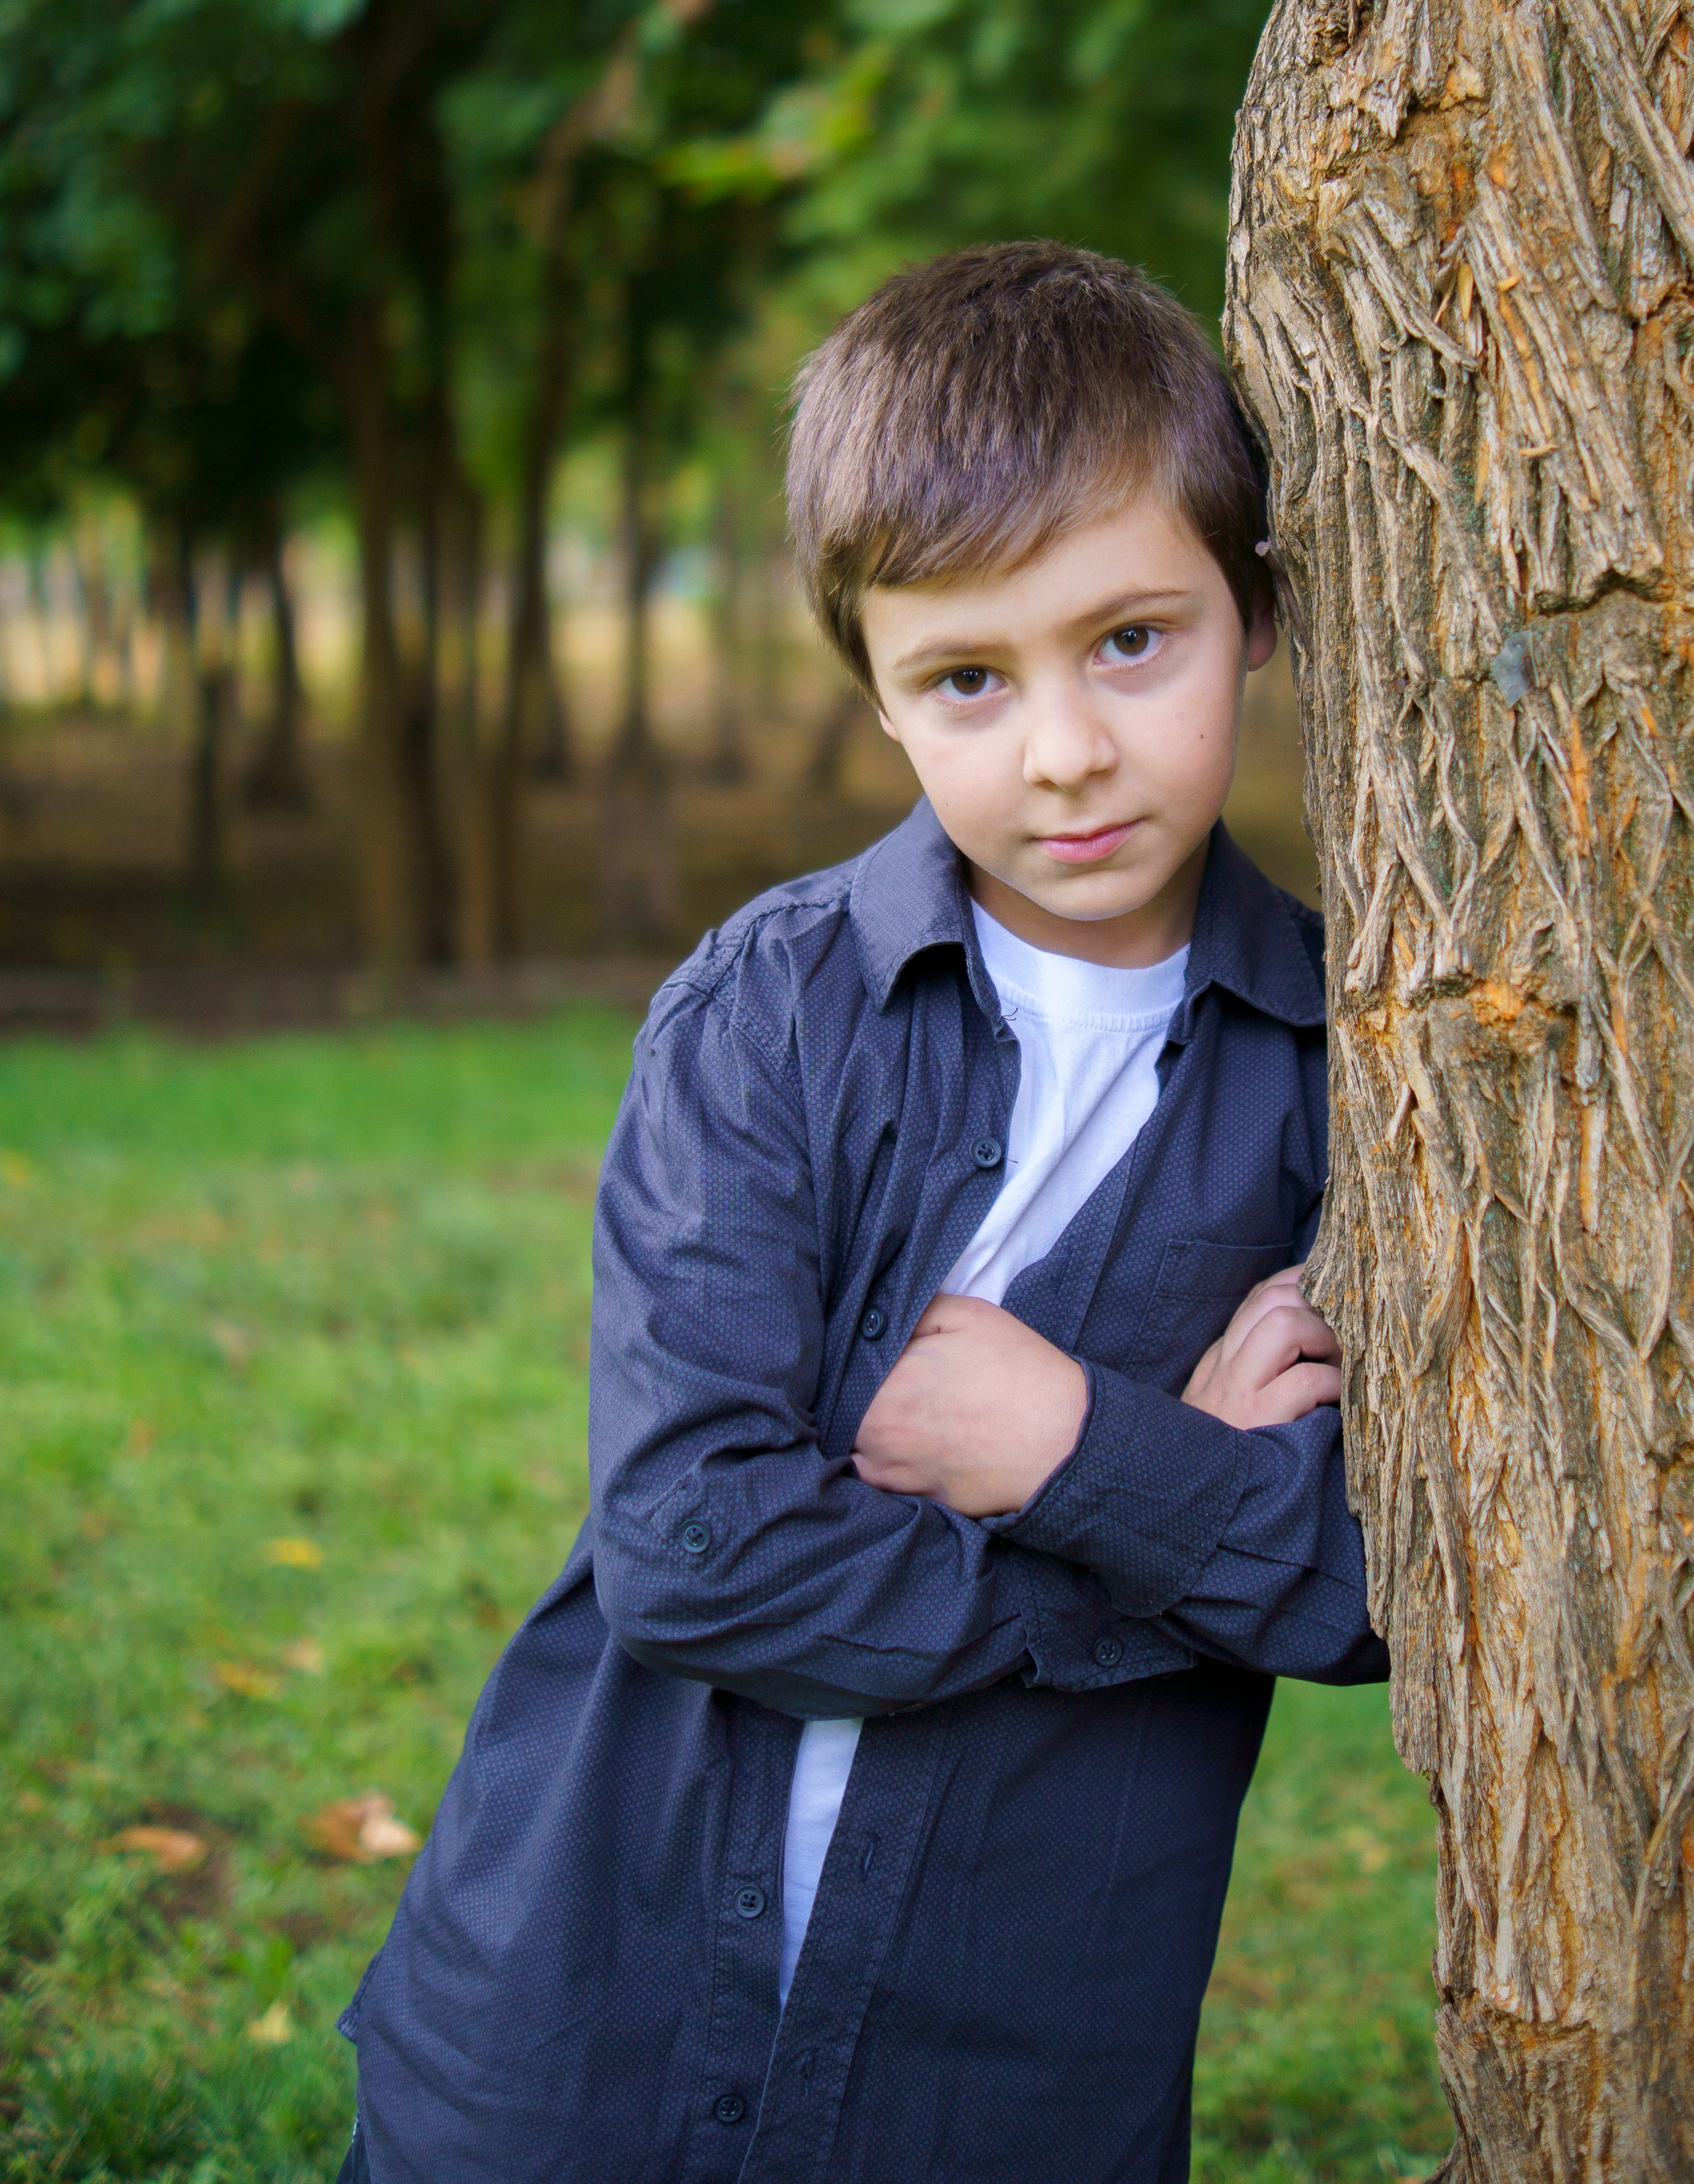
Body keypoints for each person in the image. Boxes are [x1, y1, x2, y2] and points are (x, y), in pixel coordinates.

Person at [334, 240, 1388, 2184]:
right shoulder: (772, 1011)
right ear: (880, 699)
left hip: (1001, 2078)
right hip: (577, 2039)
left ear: (1254, 609)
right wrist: (1148, 1498)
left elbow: (1369, 1583)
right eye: (968, 680)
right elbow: (691, 1543)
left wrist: (1053, 1439)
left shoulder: (1355, 1071)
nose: (1060, 747)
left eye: (1129, 641)